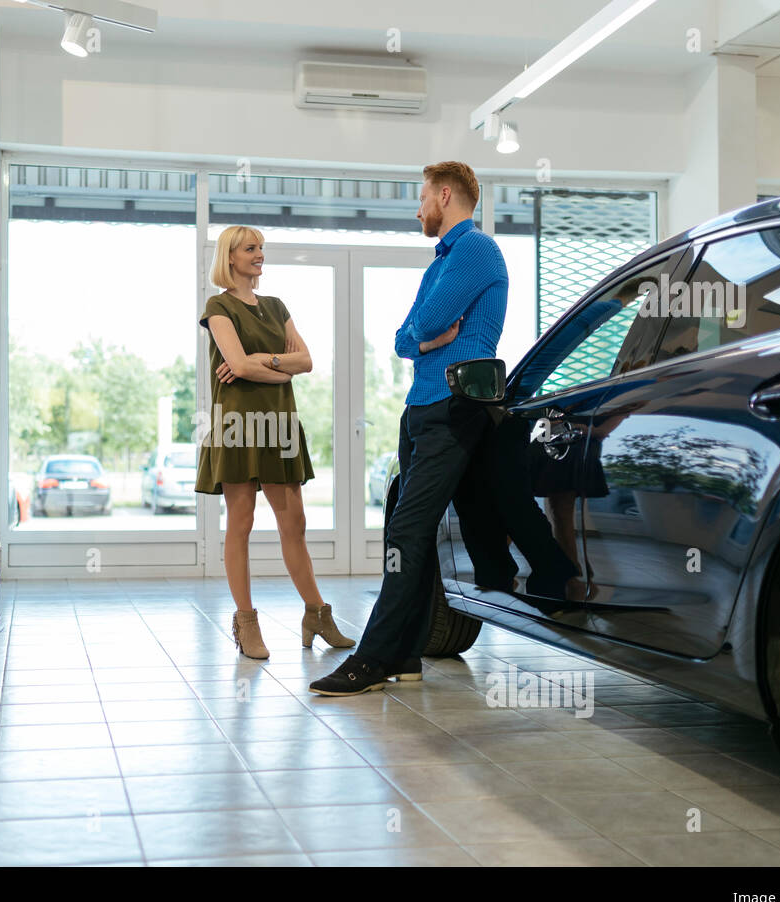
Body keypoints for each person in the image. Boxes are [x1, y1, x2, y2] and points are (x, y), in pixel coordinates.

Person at [309, 161, 578, 697]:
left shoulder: (476, 250)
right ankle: (407, 655)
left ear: (446, 195)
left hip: (454, 406)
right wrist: (425, 338)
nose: (418, 209)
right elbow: (404, 339)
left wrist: (426, 336)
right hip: (423, 407)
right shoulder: (443, 262)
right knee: (414, 534)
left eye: (422, 198)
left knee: (407, 532)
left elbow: (426, 324)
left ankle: (373, 658)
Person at [196, 225, 354, 660]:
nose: (259, 254)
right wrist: (278, 368)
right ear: (230, 257)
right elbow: (237, 366)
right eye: (251, 248)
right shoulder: (218, 306)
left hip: (281, 424)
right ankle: (246, 622)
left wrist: (266, 363)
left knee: (295, 526)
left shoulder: (276, 305)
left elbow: (305, 360)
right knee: (240, 526)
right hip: (238, 427)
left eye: (261, 248)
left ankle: (316, 615)